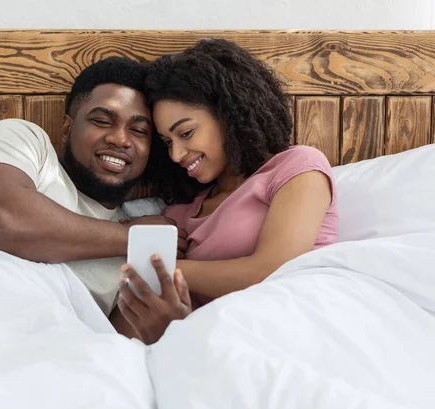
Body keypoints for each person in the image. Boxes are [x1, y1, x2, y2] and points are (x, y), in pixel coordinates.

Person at [0, 56, 185, 320]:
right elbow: (0, 219)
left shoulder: (134, 257)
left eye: (139, 130)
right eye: (102, 121)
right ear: (67, 128)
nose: (120, 139)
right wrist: (133, 237)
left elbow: (116, 343)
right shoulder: (24, 142)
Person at [117, 38, 339, 344]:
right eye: (167, 142)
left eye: (186, 133)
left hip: (291, 334)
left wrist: (164, 270)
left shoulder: (296, 167)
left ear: (229, 115)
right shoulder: (178, 215)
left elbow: (270, 271)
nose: (176, 154)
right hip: (207, 346)